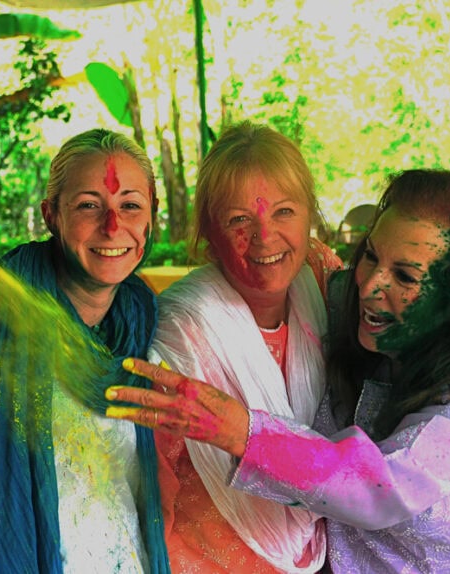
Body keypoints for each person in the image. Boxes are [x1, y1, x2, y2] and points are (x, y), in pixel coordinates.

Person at [107, 169, 450, 573]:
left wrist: (241, 431)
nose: (370, 285)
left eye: (405, 277)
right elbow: (287, 261)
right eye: (370, 255)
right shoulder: (344, 302)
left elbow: (382, 487)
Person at [0, 128, 171, 573]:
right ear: (51, 215)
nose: (112, 226)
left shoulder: (149, 335)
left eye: (130, 206)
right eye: (89, 205)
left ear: (150, 217)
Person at [147, 121, 341, 573]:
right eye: (239, 220)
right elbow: (152, 482)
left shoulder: (324, 283)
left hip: (315, 554)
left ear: (310, 215)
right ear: (208, 235)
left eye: (285, 212)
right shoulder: (183, 328)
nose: (265, 236)